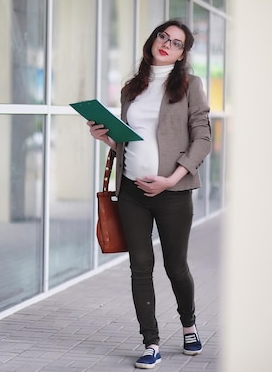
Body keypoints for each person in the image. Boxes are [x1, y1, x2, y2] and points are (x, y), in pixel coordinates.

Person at [87, 20, 211, 369]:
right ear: (153, 39)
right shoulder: (131, 88)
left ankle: (189, 326)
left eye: (176, 43)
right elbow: (130, 141)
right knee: (140, 267)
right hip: (131, 192)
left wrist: (171, 179)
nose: (166, 45)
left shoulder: (190, 85)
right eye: (163, 37)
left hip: (172, 192)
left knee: (176, 267)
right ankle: (151, 341)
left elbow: (202, 138)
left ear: (182, 53)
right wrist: (107, 138)